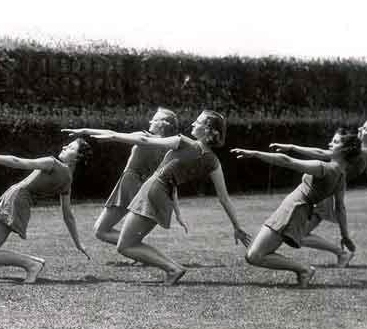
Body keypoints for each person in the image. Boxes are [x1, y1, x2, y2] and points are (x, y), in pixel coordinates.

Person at [90, 110, 251, 285]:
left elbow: (145, 140)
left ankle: (173, 268)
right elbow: (224, 198)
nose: (193, 124)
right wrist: (237, 227)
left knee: (126, 246)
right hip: (164, 196)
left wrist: (113, 136)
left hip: (153, 190)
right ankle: (173, 268)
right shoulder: (213, 161)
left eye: (198, 122)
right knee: (129, 243)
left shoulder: (183, 142)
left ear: (208, 130)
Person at [232, 131, 363, 288]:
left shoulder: (324, 168)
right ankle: (303, 270)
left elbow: (287, 161)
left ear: (344, 150)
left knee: (254, 256)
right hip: (299, 210)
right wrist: (345, 235)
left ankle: (304, 270)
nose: (329, 144)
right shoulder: (341, 176)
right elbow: (340, 208)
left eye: (334, 142)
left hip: (293, 209)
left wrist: (254, 154)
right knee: (255, 254)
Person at [0, 138, 91, 284]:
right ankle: (34, 262)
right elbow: (68, 215)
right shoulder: (68, 180)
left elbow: (16, 161)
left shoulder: (52, 163)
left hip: (15, 201)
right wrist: (78, 243)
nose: (64, 146)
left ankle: (31, 265)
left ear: (77, 157)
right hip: (19, 202)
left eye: (70, 147)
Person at [61, 107, 178, 251]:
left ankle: (141, 249)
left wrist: (85, 131)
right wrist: (176, 210)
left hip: (129, 184)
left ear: (163, 124)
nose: (150, 121)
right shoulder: (169, 145)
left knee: (100, 231)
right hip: (144, 187)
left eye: (154, 119)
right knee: (102, 230)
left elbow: (112, 134)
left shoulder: (145, 136)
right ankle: (137, 246)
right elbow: (169, 179)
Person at [269, 118, 367, 227]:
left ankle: (341, 253)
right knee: (297, 230)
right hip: (325, 188)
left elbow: (322, 153)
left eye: (365, 129)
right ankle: (341, 252)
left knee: (299, 233)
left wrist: (292, 147)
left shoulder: (360, 153)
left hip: (324, 188)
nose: (359, 129)